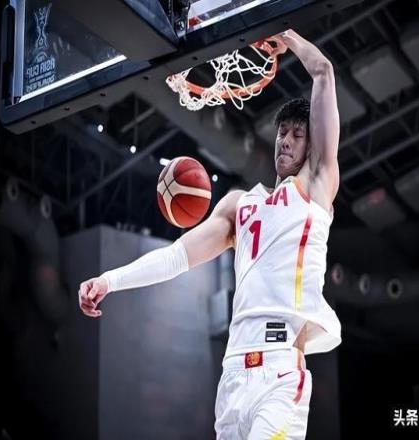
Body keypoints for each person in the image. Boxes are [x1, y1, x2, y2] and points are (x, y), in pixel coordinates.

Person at [79, 29, 341, 439]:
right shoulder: (239, 205)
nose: (286, 141)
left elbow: (323, 71)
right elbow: (175, 258)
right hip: (233, 373)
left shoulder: (317, 187)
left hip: (279, 372)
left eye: (297, 135)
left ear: (311, 148)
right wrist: (109, 281)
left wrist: (285, 34)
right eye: (282, 133)